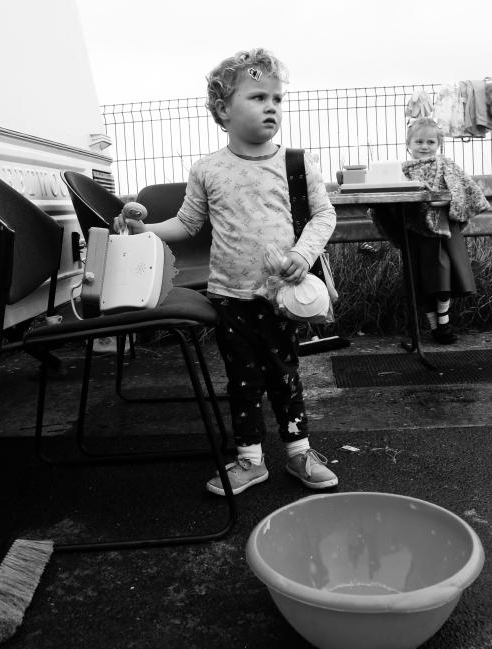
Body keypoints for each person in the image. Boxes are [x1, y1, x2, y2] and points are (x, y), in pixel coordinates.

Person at [114, 48, 338, 495]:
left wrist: (304, 253)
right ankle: (250, 460)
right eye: (257, 97)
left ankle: (299, 452)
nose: (271, 106)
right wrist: (146, 229)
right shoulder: (207, 169)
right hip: (230, 295)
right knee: (242, 379)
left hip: (282, 295)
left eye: (277, 98)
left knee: (285, 373)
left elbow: (323, 216)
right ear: (223, 108)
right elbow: (188, 224)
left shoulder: (296, 163)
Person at [390, 117, 489, 344]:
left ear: (439, 144)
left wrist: (448, 201)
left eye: (430, 142)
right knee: (421, 282)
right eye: (419, 142)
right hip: (416, 234)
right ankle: (435, 327)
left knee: (444, 279)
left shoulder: (446, 165)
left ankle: (443, 322)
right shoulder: (401, 172)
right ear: (408, 145)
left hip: (445, 231)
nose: (425, 147)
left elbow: (466, 190)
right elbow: (393, 200)